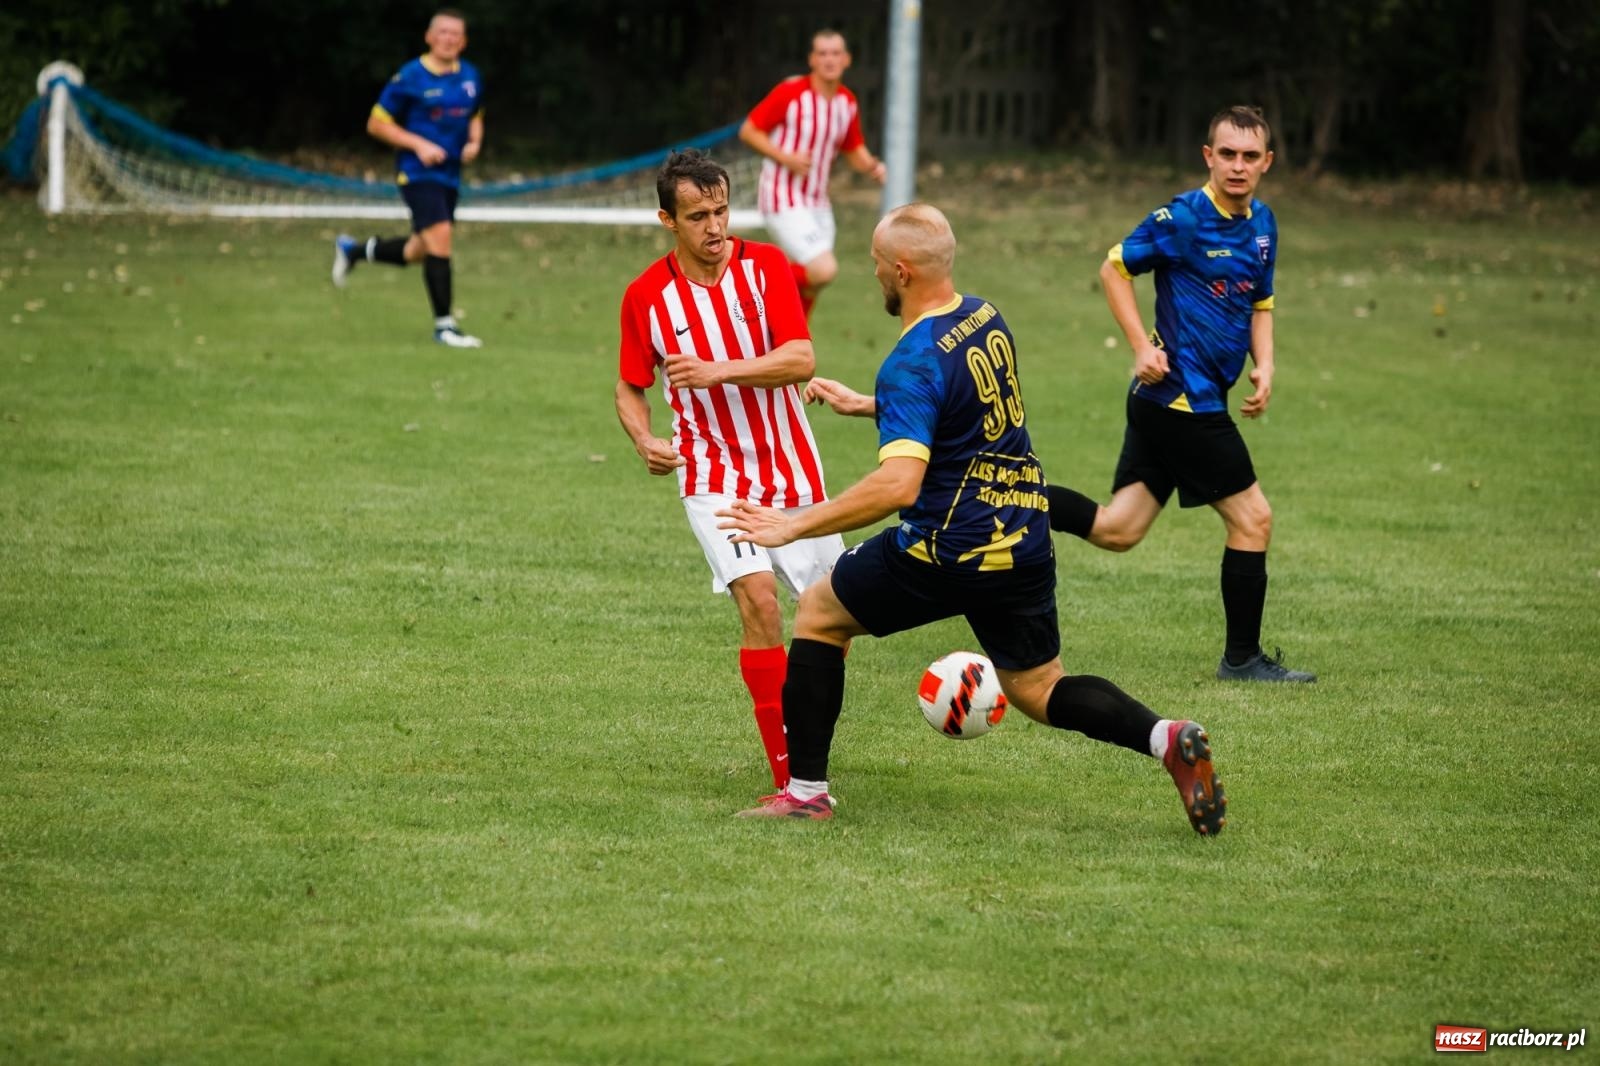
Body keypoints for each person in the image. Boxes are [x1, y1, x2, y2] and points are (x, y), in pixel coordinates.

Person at [718, 203, 1226, 835]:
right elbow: (964, 414)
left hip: (946, 546)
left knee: (820, 614)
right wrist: (876, 407)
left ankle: (806, 791)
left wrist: (792, 525)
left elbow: (899, 485)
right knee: (1039, 687)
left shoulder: (911, 361)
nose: (872, 273)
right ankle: (1165, 736)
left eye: (876, 264)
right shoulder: (985, 316)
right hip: (1022, 534)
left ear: (900, 272)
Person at [1047, 106, 1315, 683]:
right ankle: (1242, 660)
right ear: (1208, 157)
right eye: (1227, 154)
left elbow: (1259, 302)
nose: (1237, 166)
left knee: (1118, 529)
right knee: (1253, 519)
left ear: (1266, 163)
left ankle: (1009, 492)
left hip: (1167, 405)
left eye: (1249, 157)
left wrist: (1264, 364)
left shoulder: (1263, 224)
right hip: (1180, 401)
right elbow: (1114, 267)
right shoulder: (1184, 219)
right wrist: (1141, 344)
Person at [615, 148, 847, 796]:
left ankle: (807, 745)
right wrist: (643, 438)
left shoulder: (768, 267)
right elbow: (630, 387)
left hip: (793, 469)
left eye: (720, 211)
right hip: (713, 472)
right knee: (760, 601)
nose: (714, 227)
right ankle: (792, 781)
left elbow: (800, 358)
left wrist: (717, 370)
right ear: (668, 219)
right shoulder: (645, 297)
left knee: (834, 617)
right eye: (697, 216)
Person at [331, 8, 484, 348]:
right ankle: (445, 326)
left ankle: (354, 251)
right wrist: (418, 144)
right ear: (429, 37)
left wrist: (474, 141)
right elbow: (376, 123)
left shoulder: (471, 76)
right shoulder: (410, 76)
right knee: (441, 238)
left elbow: (475, 115)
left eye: (456, 34)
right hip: (417, 174)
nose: (449, 39)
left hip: (450, 176)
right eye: (443, 32)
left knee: (419, 249)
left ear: (464, 41)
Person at [739, 28, 887, 319]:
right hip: (782, 195)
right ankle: (749, 283)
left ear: (846, 60)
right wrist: (787, 158)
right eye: (822, 53)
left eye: (835, 53)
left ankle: (789, 345)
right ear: (812, 60)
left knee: (811, 285)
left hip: (817, 202)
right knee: (823, 269)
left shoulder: (847, 102)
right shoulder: (790, 94)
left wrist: (872, 166)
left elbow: (853, 147)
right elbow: (749, 131)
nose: (829, 59)